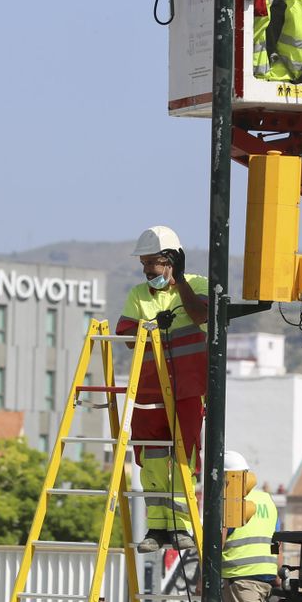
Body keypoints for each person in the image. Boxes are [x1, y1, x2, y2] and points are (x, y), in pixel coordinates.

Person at [115, 225, 209, 554]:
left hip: (187, 390)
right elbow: (126, 337)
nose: (147, 272)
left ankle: (181, 526)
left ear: (171, 261)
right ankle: (157, 528)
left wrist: (180, 283)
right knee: (152, 460)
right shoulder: (139, 294)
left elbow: (202, 316)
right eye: (144, 265)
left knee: (183, 458)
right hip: (149, 392)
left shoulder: (197, 286)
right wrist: (150, 326)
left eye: (152, 265)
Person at [221, 451, 279, 602]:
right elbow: (276, 539)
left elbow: (220, 539)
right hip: (264, 573)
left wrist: (204, 574)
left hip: (240, 575)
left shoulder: (230, 501)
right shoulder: (266, 499)